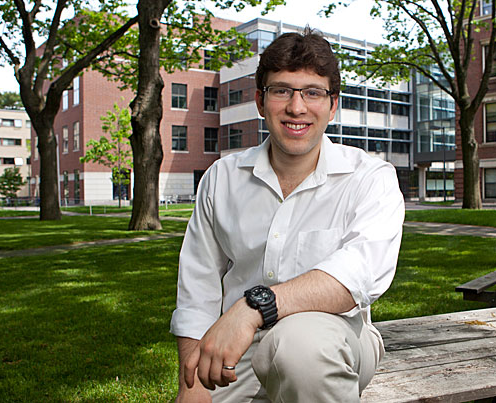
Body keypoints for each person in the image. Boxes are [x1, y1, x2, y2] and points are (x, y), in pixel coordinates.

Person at [171, 28, 404, 403]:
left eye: (313, 92)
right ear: (260, 101)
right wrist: (192, 384)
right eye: (282, 91)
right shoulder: (221, 178)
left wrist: (252, 308)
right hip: (236, 350)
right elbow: (198, 290)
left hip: (336, 342)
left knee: (300, 347)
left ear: (333, 105)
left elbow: (359, 275)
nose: (297, 107)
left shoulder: (370, 178)